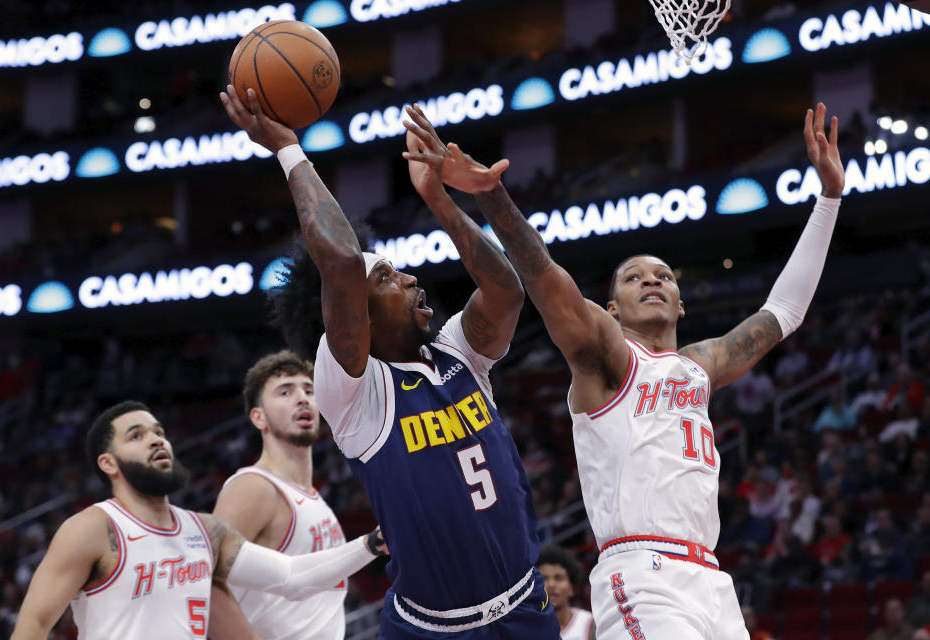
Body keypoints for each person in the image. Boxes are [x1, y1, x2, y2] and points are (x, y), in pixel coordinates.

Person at [406, 102, 845, 639]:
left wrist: (828, 197)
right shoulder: (608, 357)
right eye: (634, 278)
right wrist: (490, 196)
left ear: (681, 303)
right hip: (643, 574)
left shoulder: (698, 367)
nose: (652, 281)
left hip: (710, 578)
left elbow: (785, 312)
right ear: (611, 309)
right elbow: (544, 278)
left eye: (663, 275)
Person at [220, 87, 558, 637]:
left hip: (524, 609)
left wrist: (441, 201)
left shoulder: (456, 353)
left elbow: (505, 293)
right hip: (431, 627)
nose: (410, 279)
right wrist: (288, 151)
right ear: (358, 310)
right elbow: (342, 260)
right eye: (389, 278)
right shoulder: (352, 390)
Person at [11, 400, 385, 639]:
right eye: (136, 436)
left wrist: (371, 543)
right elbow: (33, 624)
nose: (157, 440)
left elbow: (290, 576)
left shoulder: (205, 530)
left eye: (159, 432)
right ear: (109, 463)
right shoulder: (93, 529)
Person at [210, 351, 383, 639]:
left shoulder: (312, 496)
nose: (302, 398)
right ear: (259, 418)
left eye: (309, 390)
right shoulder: (254, 487)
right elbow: (204, 582)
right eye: (285, 392)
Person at [537, 546, 596, 640]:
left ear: (571, 588)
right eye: (544, 579)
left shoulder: (589, 624)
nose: (551, 584)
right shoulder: (528, 631)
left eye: (558, 578)